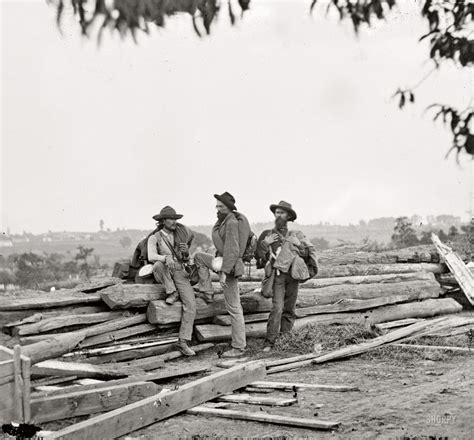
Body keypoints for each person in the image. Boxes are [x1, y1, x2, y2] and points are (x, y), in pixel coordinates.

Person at [255, 201, 318, 352]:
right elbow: (258, 258)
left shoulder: (297, 235)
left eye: (282, 213)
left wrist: (299, 245)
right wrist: (265, 243)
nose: (279, 215)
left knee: (289, 308)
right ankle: (269, 341)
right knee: (277, 308)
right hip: (277, 276)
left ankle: (286, 339)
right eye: (277, 212)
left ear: (289, 216)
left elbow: (306, 255)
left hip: (293, 275)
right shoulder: (267, 234)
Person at [194, 192, 250, 358]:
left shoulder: (231, 222)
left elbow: (232, 249)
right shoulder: (224, 221)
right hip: (222, 261)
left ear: (229, 208)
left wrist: (224, 274)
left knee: (234, 307)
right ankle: (207, 291)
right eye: (217, 206)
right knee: (198, 257)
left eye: (221, 206)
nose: (217, 209)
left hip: (230, 267)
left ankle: (239, 347)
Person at [147, 206, 197, 356]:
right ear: (162, 221)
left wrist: (186, 253)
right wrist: (164, 257)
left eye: (175, 219)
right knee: (158, 264)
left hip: (179, 270)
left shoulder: (180, 235)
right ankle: (172, 291)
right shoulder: (154, 237)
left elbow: (186, 258)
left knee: (191, 304)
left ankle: (183, 341)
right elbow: (151, 256)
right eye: (171, 219)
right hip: (165, 271)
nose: (174, 222)